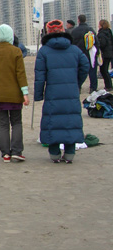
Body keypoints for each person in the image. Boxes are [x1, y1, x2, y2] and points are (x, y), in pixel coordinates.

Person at [34, 20, 89, 164]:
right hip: (71, 91)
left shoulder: (44, 51)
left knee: (53, 121)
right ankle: (69, 154)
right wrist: (77, 82)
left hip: (52, 91)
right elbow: (85, 66)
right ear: (63, 30)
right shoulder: (75, 50)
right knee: (70, 121)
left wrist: (39, 94)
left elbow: (40, 76)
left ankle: (54, 154)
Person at [0, 24, 30, 163]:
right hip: (14, 94)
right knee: (16, 122)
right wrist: (25, 92)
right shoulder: (16, 51)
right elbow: (20, 74)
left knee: (3, 124)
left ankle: (5, 154)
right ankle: (17, 151)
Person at [71, 14, 100, 93]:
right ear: (85, 20)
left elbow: (71, 43)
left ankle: (78, 87)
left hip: (78, 53)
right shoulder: (90, 29)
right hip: (89, 53)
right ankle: (93, 88)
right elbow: (96, 42)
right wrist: (97, 52)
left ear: (78, 20)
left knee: (78, 70)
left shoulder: (74, 31)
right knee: (92, 71)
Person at [97, 19, 113, 91]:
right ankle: (109, 85)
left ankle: (108, 86)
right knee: (105, 70)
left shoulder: (101, 34)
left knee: (103, 70)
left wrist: (98, 45)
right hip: (110, 53)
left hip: (105, 54)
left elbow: (102, 44)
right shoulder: (109, 32)